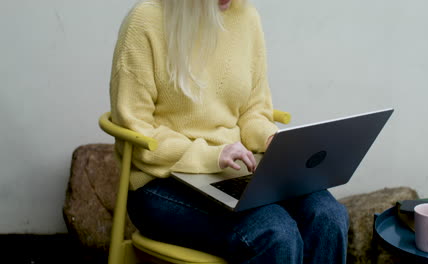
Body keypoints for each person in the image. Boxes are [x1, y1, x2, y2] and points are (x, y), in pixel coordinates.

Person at [109, 0, 349, 263]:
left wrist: (269, 138)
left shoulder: (247, 17)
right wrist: (211, 155)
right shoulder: (146, 20)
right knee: (276, 232)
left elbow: (253, 110)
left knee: (328, 216)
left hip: (231, 171)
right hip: (159, 183)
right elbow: (137, 129)